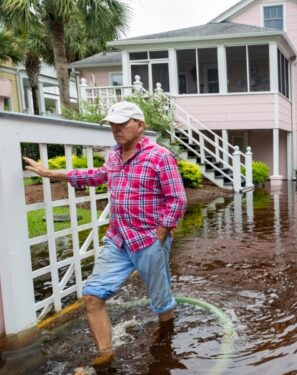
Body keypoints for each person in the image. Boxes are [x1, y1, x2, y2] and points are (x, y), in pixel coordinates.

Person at [23, 101, 187, 366]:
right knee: (92, 296)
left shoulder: (160, 156)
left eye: (121, 124)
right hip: (118, 239)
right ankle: (105, 354)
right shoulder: (113, 156)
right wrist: (50, 172)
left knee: (160, 301)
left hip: (148, 241)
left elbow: (177, 200)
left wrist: (160, 235)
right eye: (112, 124)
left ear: (140, 125)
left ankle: (165, 340)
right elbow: (95, 175)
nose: (115, 129)